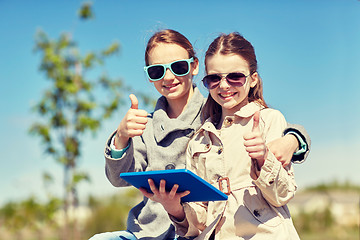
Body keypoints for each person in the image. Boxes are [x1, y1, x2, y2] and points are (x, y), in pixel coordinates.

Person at [90, 29, 309, 240]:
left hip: (205, 229)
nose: (168, 77)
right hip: (153, 230)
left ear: (194, 67)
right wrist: (121, 137)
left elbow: (272, 127)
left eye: (178, 67)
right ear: (149, 76)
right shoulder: (146, 126)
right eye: (157, 71)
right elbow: (119, 178)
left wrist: (293, 140)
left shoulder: (218, 113)